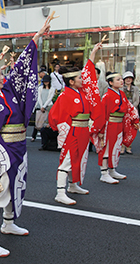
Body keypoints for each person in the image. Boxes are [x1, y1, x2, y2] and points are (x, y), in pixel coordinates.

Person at [0, 18, 50, 257]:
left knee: (17, 185)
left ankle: (8, 223)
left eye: (2, 73)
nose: (3, 77)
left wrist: (36, 38)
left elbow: (21, 68)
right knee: (0, 189)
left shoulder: (8, 90)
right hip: (1, 147)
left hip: (18, 145)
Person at [48, 43, 104, 205]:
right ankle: (60, 192)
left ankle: (72, 185)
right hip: (72, 131)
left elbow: (88, 73)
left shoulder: (80, 92)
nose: (82, 79)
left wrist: (93, 52)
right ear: (71, 81)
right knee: (67, 159)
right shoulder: (65, 96)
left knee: (78, 158)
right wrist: (64, 132)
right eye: (78, 78)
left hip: (83, 130)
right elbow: (55, 116)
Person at [97, 72, 140, 183]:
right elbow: (103, 113)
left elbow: (130, 108)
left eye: (121, 79)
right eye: (118, 79)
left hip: (119, 124)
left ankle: (112, 169)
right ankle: (104, 172)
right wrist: (101, 129)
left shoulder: (121, 94)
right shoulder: (107, 95)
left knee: (116, 147)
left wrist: (135, 119)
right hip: (109, 124)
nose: (121, 81)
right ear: (110, 83)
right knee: (107, 148)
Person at [120, 71, 139, 154]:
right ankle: (122, 147)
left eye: (130, 78)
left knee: (131, 129)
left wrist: (132, 108)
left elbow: (137, 100)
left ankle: (129, 147)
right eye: (126, 78)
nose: (128, 80)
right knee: (123, 129)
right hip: (123, 110)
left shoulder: (136, 89)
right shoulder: (121, 88)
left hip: (133, 110)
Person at [31, 74, 54, 142]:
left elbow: (50, 98)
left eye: (47, 81)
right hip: (39, 106)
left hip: (48, 106)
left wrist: (44, 106)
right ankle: (33, 136)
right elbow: (39, 98)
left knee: (45, 121)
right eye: (44, 81)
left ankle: (44, 137)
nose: (45, 83)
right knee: (37, 121)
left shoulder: (52, 89)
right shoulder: (40, 88)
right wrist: (41, 106)